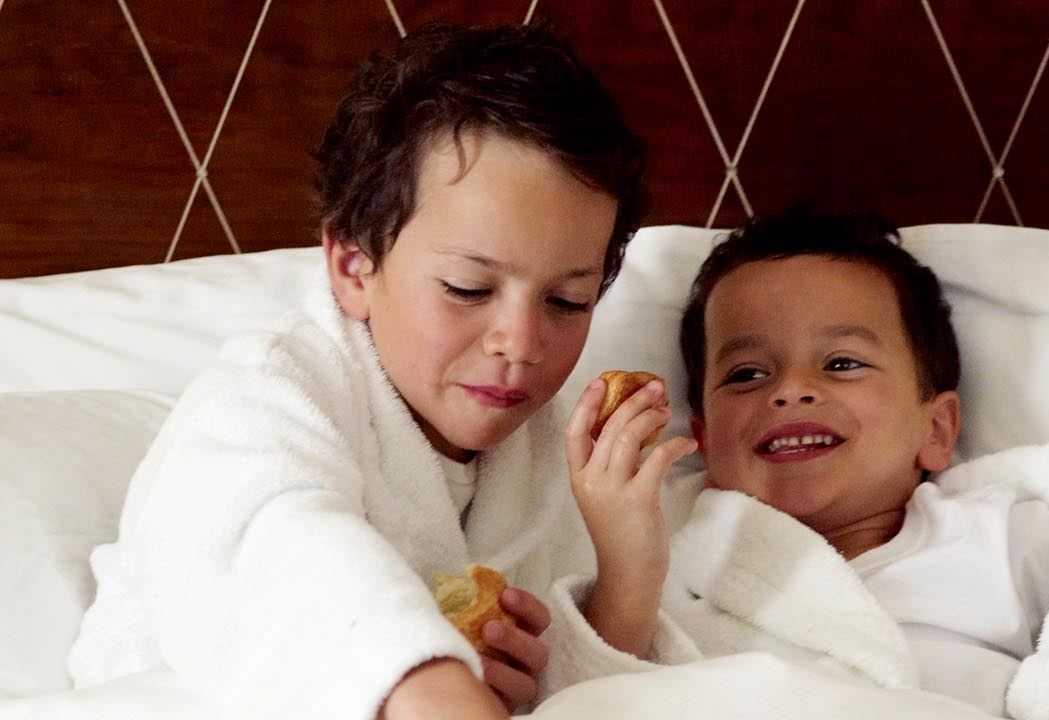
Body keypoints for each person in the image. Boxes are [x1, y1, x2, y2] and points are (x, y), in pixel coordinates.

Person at [66, 22, 675, 720]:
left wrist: (627, 571)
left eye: (568, 300)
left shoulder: (543, 451)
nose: (522, 340)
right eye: (468, 289)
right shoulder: (263, 401)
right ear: (354, 267)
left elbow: (589, 693)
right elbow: (283, 548)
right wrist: (426, 680)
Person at [553, 208, 1049, 716]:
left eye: (842, 363)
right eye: (746, 374)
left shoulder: (1005, 538)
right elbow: (592, 699)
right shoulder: (668, 556)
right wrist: (627, 572)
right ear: (705, 441)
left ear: (937, 429)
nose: (791, 390)